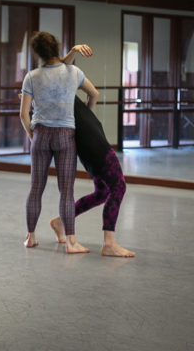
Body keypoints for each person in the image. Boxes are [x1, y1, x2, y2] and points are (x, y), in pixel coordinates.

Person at [47, 46, 135, 257]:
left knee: (103, 192)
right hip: (93, 142)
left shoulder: (52, 87)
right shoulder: (55, 80)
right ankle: (109, 243)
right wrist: (74, 50)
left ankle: (61, 221)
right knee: (118, 187)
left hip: (88, 140)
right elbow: (91, 92)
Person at [19, 32, 100, 254]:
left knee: (36, 188)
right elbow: (94, 94)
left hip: (41, 135)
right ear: (57, 48)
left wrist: (32, 136)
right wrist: (83, 118)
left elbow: (24, 114)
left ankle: (30, 237)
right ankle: (71, 243)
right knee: (67, 190)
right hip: (66, 135)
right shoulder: (74, 72)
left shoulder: (32, 76)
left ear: (37, 53)